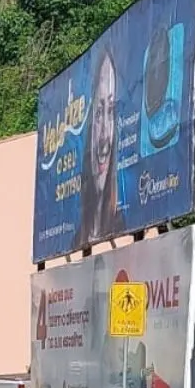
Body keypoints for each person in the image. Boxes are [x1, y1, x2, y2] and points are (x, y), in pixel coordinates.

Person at [79, 51, 124, 244]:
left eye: (111, 111)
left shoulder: (123, 226)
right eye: (98, 113)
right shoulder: (76, 238)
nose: (105, 135)